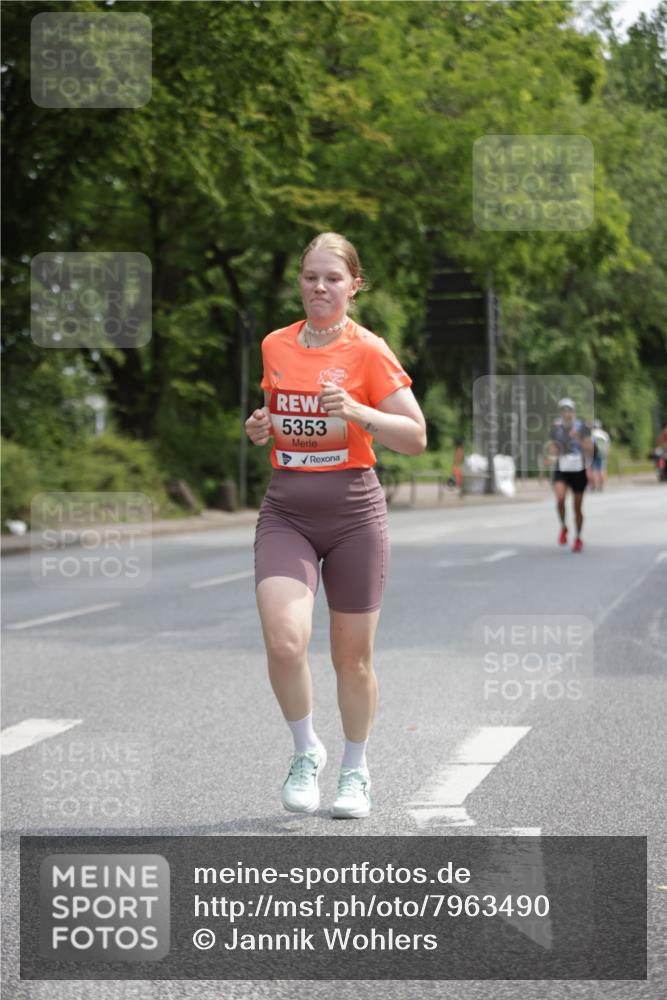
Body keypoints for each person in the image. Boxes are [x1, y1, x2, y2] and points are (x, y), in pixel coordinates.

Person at [245, 232, 427, 819]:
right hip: (287, 511)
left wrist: (356, 411)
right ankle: (307, 751)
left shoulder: (369, 351)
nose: (319, 287)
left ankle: (356, 770)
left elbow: (416, 437)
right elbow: (280, 415)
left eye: (332, 278)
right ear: (298, 282)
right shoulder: (275, 344)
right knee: (284, 640)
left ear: (354, 284)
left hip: (354, 515)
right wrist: (262, 426)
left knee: (352, 659)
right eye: (309, 277)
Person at [548, 397, 593, 552]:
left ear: (573, 412)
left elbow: (588, 447)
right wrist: (552, 455)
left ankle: (578, 537)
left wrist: (577, 438)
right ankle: (563, 527)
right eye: (564, 410)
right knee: (560, 499)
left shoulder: (582, 427)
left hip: (578, 467)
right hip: (562, 466)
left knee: (577, 507)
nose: (566, 413)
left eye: (569, 410)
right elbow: (553, 448)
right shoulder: (556, 427)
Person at [589, 418, 610, 491]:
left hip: (594, 454)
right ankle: (602, 486)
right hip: (603, 454)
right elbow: (607, 445)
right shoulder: (604, 434)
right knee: (602, 469)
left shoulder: (592, 434)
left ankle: (595, 486)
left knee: (594, 469)